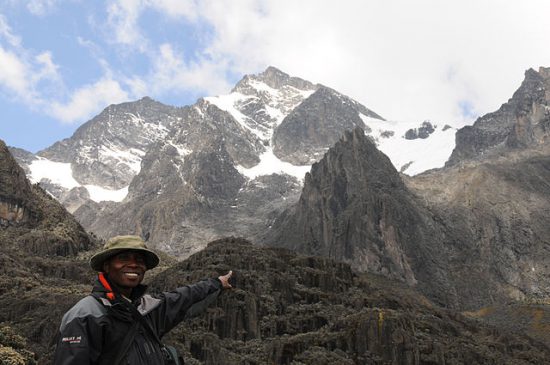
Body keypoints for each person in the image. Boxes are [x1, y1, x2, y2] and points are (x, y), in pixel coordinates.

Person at [53, 235, 232, 364]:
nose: (133, 264)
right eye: (123, 258)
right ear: (106, 266)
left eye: (139, 259)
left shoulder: (147, 309)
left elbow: (184, 297)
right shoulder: (85, 314)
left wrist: (217, 283)